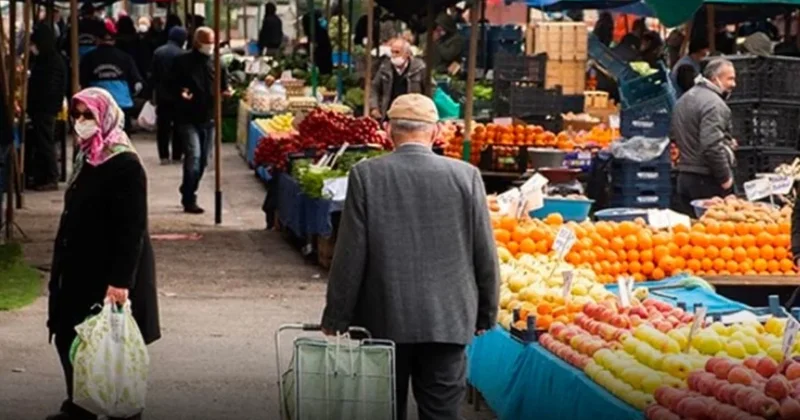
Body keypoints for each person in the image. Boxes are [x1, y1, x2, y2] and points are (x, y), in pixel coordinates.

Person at [321, 93, 499, 420]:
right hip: (447, 319)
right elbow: (484, 252)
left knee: (384, 409)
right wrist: (486, 312)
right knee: (442, 412)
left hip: (384, 316)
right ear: (435, 132)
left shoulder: (367, 175)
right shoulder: (466, 176)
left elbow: (350, 253)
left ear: (389, 131)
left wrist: (337, 316)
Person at [46, 87, 159, 420]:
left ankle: (113, 407)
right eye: (77, 115)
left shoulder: (123, 162)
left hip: (105, 272)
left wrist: (120, 281)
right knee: (71, 336)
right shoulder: (87, 155)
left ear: (105, 117)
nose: (81, 123)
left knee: (104, 344)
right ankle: (78, 403)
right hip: (77, 266)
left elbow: (132, 229)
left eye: (88, 116)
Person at [167, 27, 229, 214]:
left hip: (209, 118)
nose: (209, 46)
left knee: (203, 161)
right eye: (206, 42)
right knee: (193, 157)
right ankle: (189, 197)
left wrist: (225, 93)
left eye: (212, 42)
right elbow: (171, 85)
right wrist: (181, 93)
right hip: (187, 118)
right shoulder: (182, 62)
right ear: (196, 42)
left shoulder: (218, 63)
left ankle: (188, 188)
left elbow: (224, 87)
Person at [671, 58, 737, 217]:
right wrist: (725, 178)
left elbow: (678, 134)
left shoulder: (684, 99)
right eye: (730, 78)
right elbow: (711, 145)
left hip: (684, 176)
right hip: (706, 179)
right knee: (712, 234)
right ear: (715, 79)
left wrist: (727, 142)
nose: (734, 84)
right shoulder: (715, 104)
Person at [80, 20, 144, 130]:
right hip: (122, 103)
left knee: (99, 134)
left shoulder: (88, 58)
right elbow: (137, 82)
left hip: (98, 103)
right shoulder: (125, 57)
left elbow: (82, 81)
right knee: (122, 136)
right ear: (114, 41)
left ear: (97, 40)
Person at [27, 23, 68, 191]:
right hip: (45, 107)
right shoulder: (50, 59)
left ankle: (51, 177)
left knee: (45, 142)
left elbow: (49, 87)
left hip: (45, 108)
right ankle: (43, 176)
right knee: (43, 142)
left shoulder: (51, 61)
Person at [151, 26, 188, 164]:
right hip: (179, 96)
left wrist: (153, 95)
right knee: (179, 125)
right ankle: (177, 154)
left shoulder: (158, 52)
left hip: (162, 95)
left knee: (163, 127)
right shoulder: (183, 54)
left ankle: (164, 156)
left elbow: (153, 76)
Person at [369, 38, 425, 120]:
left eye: (397, 52)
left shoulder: (419, 68)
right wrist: (374, 107)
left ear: (407, 54)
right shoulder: (385, 67)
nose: (394, 55)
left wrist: (423, 109)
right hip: (389, 113)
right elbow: (374, 87)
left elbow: (430, 88)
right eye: (392, 52)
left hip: (412, 114)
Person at [301, 11, 333, 75]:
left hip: (322, 63)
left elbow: (319, 50)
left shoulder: (317, 33)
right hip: (322, 64)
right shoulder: (318, 32)